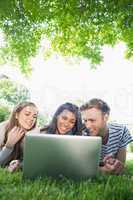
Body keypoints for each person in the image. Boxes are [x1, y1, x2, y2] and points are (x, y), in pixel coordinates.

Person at [80, 98, 133, 175]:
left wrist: (115, 165)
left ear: (105, 117)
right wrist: (101, 170)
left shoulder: (121, 131)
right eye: (85, 120)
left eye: (92, 120)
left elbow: (120, 168)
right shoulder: (82, 135)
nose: (87, 126)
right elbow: (81, 167)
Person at [0, 101, 38, 172]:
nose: (32, 119)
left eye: (34, 116)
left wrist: (19, 164)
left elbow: (34, 162)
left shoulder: (34, 135)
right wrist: (9, 146)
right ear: (16, 115)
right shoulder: (2, 128)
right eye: (27, 114)